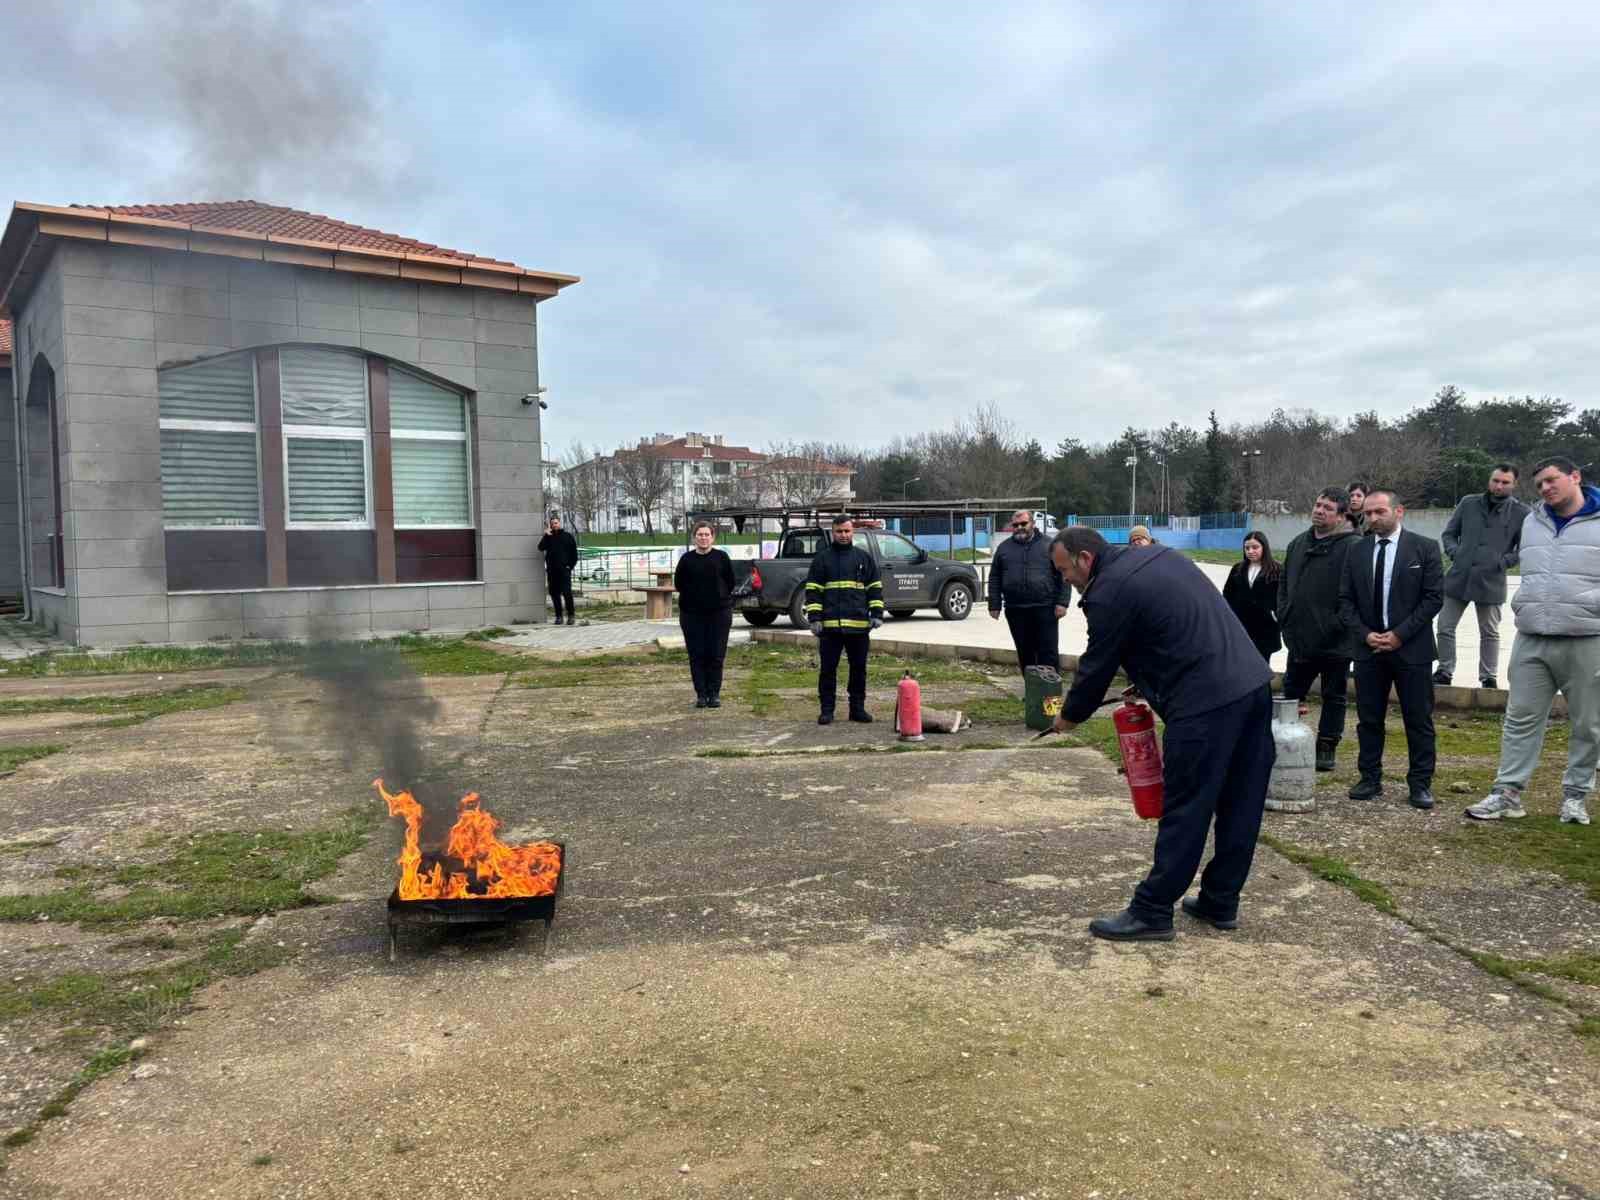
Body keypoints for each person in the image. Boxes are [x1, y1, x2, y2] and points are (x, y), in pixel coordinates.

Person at [1048, 528, 1274, 942]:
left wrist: (1069, 716)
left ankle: (1152, 909)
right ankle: (1220, 899)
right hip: (1253, 688)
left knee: (1186, 806)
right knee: (1241, 802)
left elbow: (1097, 665)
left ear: (1084, 559)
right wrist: (1150, 679)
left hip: (1205, 705)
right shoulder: (1159, 557)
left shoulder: (1109, 590)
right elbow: (1173, 627)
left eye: (1064, 570)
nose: (1065, 579)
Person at [1467, 457, 1600, 826]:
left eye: (1552, 480)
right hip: (1532, 636)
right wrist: (1523, 603)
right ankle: (1507, 794)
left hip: (1588, 637)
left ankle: (1575, 797)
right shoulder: (1532, 521)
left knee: (1588, 724)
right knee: (1520, 719)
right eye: (1539, 484)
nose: (1545, 488)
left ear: (1575, 477)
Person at [1338, 489, 1444, 810]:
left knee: (1418, 719)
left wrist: (1399, 635)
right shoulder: (1356, 551)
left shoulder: (1425, 548)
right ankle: (1369, 777)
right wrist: (1365, 634)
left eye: (1379, 512)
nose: (1372, 518)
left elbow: (1433, 598)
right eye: (1368, 513)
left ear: (1399, 511)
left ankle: (1420, 783)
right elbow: (1345, 601)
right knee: (1369, 719)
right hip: (1368, 650)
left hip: (1412, 650)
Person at [1277, 488, 1361, 771]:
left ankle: (1326, 747)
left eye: (1327, 508)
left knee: (1334, 696)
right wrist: (1285, 615)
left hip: (1335, 640)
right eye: (1317, 504)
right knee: (1290, 693)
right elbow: (1284, 584)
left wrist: (1336, 624)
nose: (1319, 511)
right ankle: (1283, 743)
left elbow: (1356, 594)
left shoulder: (1353, 547)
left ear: (1342, 516)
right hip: (1299, 637)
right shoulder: (1298, 543)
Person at [1434, 463, 1528, 689]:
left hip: (1492, 580)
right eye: (1495, 480)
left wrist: (1502, 563)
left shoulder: (1522, 513)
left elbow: (1524, 548)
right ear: (1489, 480)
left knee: (1489, 632)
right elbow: (1449, 534)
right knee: (1445, 627)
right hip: (1459, 576)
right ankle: (1444, 670)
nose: (1499, 486)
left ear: (1514, 484)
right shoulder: (1468, 503)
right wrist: (1456, 553)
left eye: (1505, 482)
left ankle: (1488, 676)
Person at [804, 515, 885, 725]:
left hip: (859, 627)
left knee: (858, 670)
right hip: (830, 628)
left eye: (847, 531)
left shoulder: (864, 558)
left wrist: (877, 614)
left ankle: (857, 709)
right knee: (827, 671)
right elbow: (813, 591)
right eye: (839, 531)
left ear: (852, 532)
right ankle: (827, 711)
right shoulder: (822, 559)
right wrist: (814, 618)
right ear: (833, 532)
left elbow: (874, 588)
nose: (843, 535)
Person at [988, 509, 1071, 673]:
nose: (1019, 527)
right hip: (1016, 610)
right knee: (1025, 652)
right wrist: (994, 604)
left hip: (1045, 608)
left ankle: (1050, 689)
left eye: (1023, 524)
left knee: (1048, 652)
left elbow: (1064, 573)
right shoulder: (1004, 548)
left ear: (1032, 523)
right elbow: (995, 577)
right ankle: (1032, 687)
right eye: (1015, 525)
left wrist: (1062, 602)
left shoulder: (1050, 545)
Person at [674, 521, 736, 709]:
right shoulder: (686, 560)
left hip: (719, 614)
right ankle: (701, 694)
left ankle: (714, 694)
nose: (703, 538)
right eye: (700, 534)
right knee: (697, 655)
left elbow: (730, 582)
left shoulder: (721, 557)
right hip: (692, 615)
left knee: (716, 655)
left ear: (713, 537)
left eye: (706, 534)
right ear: (694, 537)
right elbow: (679, 584)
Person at [1222, 531, 1281, 662]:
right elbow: (1227, 594)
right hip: (1241, 627)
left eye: (1255, 547)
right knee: (1241, 662)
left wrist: (1276, 615)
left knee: (1262, 664)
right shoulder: (1238, 569)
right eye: (1247, 548)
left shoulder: (1276, 570)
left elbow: (1282, 597)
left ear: (1264, 547)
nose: (1250, 551)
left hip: (1265, 628)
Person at [537, 514, 578, 625]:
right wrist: (546, 535)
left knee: (567, 593)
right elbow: (540, 547)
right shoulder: (549, 537)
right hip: (552, 571)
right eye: (552, 524)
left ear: (559, 523)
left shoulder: (568, 536)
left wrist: (570, 566)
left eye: (556, 523)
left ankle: (571, 616)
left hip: (564, 570)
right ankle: (559, 617)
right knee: (554, 594)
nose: (554, 525)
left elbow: (574, 554)